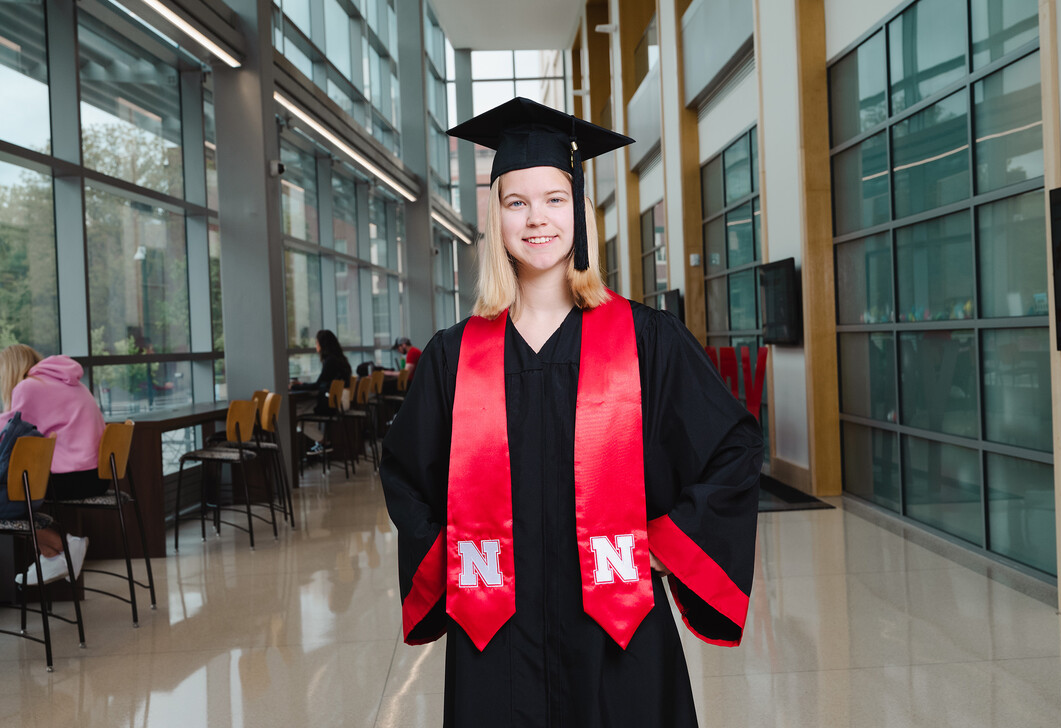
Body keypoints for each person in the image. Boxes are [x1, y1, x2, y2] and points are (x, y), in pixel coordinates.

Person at [380, 98, 763, 727]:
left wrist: (665, 544)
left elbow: (734, 448)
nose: (537, 220)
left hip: (617, 627)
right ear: (496, 219)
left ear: (579, 212)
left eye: (555, 199)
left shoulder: (647, 340)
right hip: (494, 633)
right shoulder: (456, 355)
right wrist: (458, 555)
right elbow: (404, 474)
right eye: (516, 202)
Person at [0, 345, 97, 585]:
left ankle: (64, 545)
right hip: (95, 475)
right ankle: (53, 555)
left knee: (11, 494)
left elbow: (8, 431)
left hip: (74, 477)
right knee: (14, 490)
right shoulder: (68, 382)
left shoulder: (29, 387)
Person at [290, 329, 352, 452]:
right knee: (302, 413)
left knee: (295, 413)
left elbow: (318, 385)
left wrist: (294, 386)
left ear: (323, 344)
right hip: (341, 400)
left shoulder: (330, 361)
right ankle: (322, 442)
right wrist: (302, 384)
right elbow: (322, 383)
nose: (315, 346)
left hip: (335, 402)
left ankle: (324, 442)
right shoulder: (340, 360)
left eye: (316, 343)